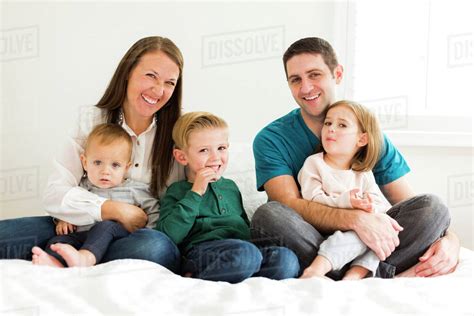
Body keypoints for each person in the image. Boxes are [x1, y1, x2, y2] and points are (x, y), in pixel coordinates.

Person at [251, 37, 459, 279]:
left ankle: (354, 273)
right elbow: (289, 204)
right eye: (295, 80)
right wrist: (357, 220)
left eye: (314, 75)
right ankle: (366, 271)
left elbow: (408, 204)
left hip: (364, 243)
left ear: (337, 74)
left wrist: (450, 240)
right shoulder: (271, 139)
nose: (306, 88)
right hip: (310, 239)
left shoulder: (367, 134)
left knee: (433, 207)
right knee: (269, 215)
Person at [0, 36, 185, 273]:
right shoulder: (91, 120)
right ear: (128, 72)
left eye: (170, 82)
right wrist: (112, 209)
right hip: (79, 226)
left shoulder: (178, 131)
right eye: (151, 75)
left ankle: (74, 257)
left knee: (156, 248)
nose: (159, 90)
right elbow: (56, 192)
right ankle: (70, 255)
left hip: (136, 238)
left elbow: (176, 205)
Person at [155, 112, 299, 283]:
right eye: (203, 150)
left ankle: (243, 276)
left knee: (286, 259)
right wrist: (196, 192)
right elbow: (168, 235)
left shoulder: (230, 187)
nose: (216, 157)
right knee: (246, 255)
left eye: (221, 148)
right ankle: (197, 280)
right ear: (182, 157)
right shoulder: (178, 190)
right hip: (203, 252)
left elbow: (244, 226)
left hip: (243, 249)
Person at [32, 123, 160, 267]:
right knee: (58, 241)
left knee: (106, 226)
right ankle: (56, 262)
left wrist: (145, 234)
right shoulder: (81, 187)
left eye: (115, 165)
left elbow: (154, 211)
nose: (105, 171)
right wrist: (63, 219)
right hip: (81, 236)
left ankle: (86, 258)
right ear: (85, 163)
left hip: (116, 239)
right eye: (98, 162)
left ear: (126, 168)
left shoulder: (135, 190)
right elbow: (64, 201)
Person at [298, 100, 392, 280]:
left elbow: (379, 202)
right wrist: (346, 201)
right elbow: (312, 200)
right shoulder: (314, 164)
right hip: (324, 232)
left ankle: (355, 274)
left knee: (385, 229)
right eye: (328, 123)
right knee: (356, 235)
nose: (331, 129)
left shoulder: (363, 173)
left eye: (341, 125)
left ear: (362, 139)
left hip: (360, 236)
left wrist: (370, 206)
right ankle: (316, 269)